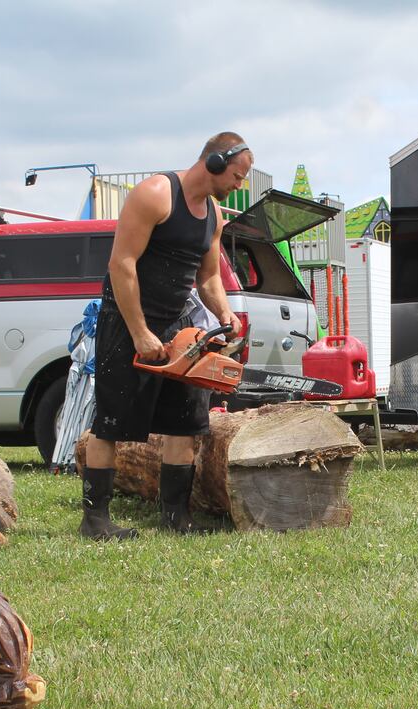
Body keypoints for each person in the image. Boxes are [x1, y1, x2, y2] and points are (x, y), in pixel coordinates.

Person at [79, 132, 252, 539]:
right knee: (111, 423)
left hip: (178, 324)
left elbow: (207, 276)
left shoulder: (213, 214)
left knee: (186, 422)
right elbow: (122, 263)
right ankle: (95, 521)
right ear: (214, 162)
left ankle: (176, 518)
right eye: (237, 176)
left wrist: (224, 311)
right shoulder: (156, 194)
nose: (239, 185)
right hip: (127, 321)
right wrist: (139, 332)